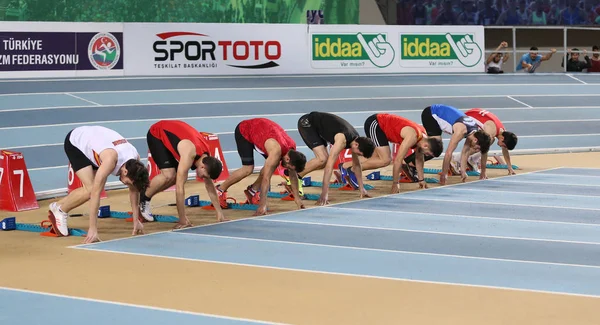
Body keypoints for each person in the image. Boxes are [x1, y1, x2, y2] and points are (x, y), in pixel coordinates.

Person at [48, 126, 149, 243]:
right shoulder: (110, 160)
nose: (126, 184)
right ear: (125, 171)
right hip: (76, 143)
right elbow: (95, 194)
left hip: (96, 145)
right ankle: (61, 210)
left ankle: (57, 205)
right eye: (128, 182)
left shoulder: (135, 160)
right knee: (91, 189)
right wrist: (93, 229)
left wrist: (136, 220)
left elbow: (134, 190)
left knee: (91, 187)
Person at [141, 120, 225, 228]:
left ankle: (145, 196)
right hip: (157, 133)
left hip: (175, 135)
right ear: (202, 166)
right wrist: (182, 219)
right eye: (204, 176)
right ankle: (143, 199)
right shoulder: (189, 154)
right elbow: (179, 188)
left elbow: (210, 186)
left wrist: (219, 212)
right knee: (169, 175)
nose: (202, 178)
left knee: (174, 176)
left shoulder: (207, 159)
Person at [216, 118, 307, 216]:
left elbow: (293, 175)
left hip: (264, 131)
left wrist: (297, 199)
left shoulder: (292, 149)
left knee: (272, 165)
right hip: (246, 130)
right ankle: (220, 190)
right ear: (288, 159)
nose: (287, 169)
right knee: (248, 169)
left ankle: (252, 191)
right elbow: (266, 179)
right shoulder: (276, 152)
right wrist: (262, 205)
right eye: (289, 167)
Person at [341, 113, 443, 193]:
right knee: (385, 160)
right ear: (426, 146)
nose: (427, 155)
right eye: (428, 154)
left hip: (383, 126)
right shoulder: (412, 137)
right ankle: (354, 170)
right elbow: (398, 160)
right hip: (376, 124)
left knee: (376, 158)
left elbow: (419, 159)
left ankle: (345, 166)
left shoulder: (423, 139)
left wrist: (421, 180)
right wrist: (395, 183)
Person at [296, 111, 375, 205]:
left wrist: (362, 189)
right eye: (360, 153)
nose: (358, 155)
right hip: (307, 123)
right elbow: (329, 167)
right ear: (357, 145)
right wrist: (324, 194)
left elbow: (356, 165)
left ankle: (294, 176)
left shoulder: (355, 140)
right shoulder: (342, 140)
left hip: (318, 126)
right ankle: (294, 176)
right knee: (323, 159)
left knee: (323, 160)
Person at [406, 104, 491, 185]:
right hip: (431, 114)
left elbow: (465, 152)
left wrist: (463, 172)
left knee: (436, 149)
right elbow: (448, 153)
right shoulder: (461, 131)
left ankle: (411, 164)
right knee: (435, 149)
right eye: (477, 148)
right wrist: (444, 174)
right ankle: (408, 163)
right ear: (476, 140)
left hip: (440, 113)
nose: (475, 150)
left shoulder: (474, 132)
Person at [462, 108, 518, 178]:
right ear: (502, 139)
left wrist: (509, 167)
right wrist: (483, 172)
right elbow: (484, 152)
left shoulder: (503, 132)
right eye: (504, 145)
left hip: (474, 114)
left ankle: (472, 159)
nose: (502, 147)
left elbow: (505, 150)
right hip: (466, 118)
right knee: (483, 144)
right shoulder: (490, 132)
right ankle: (457, 160)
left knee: (487, 142)